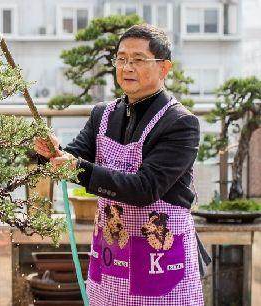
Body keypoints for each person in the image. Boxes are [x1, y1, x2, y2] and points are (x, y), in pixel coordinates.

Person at [34, 24, 209, 305]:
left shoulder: (180, 123)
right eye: (121, 58)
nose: (127, 66)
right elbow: (72, 155)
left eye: (138, 59)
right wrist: (47, 152)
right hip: (111, 258)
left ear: (165, 68)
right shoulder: (102, 115)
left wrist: (75, 167)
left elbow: (145, 187)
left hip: (161, 262)